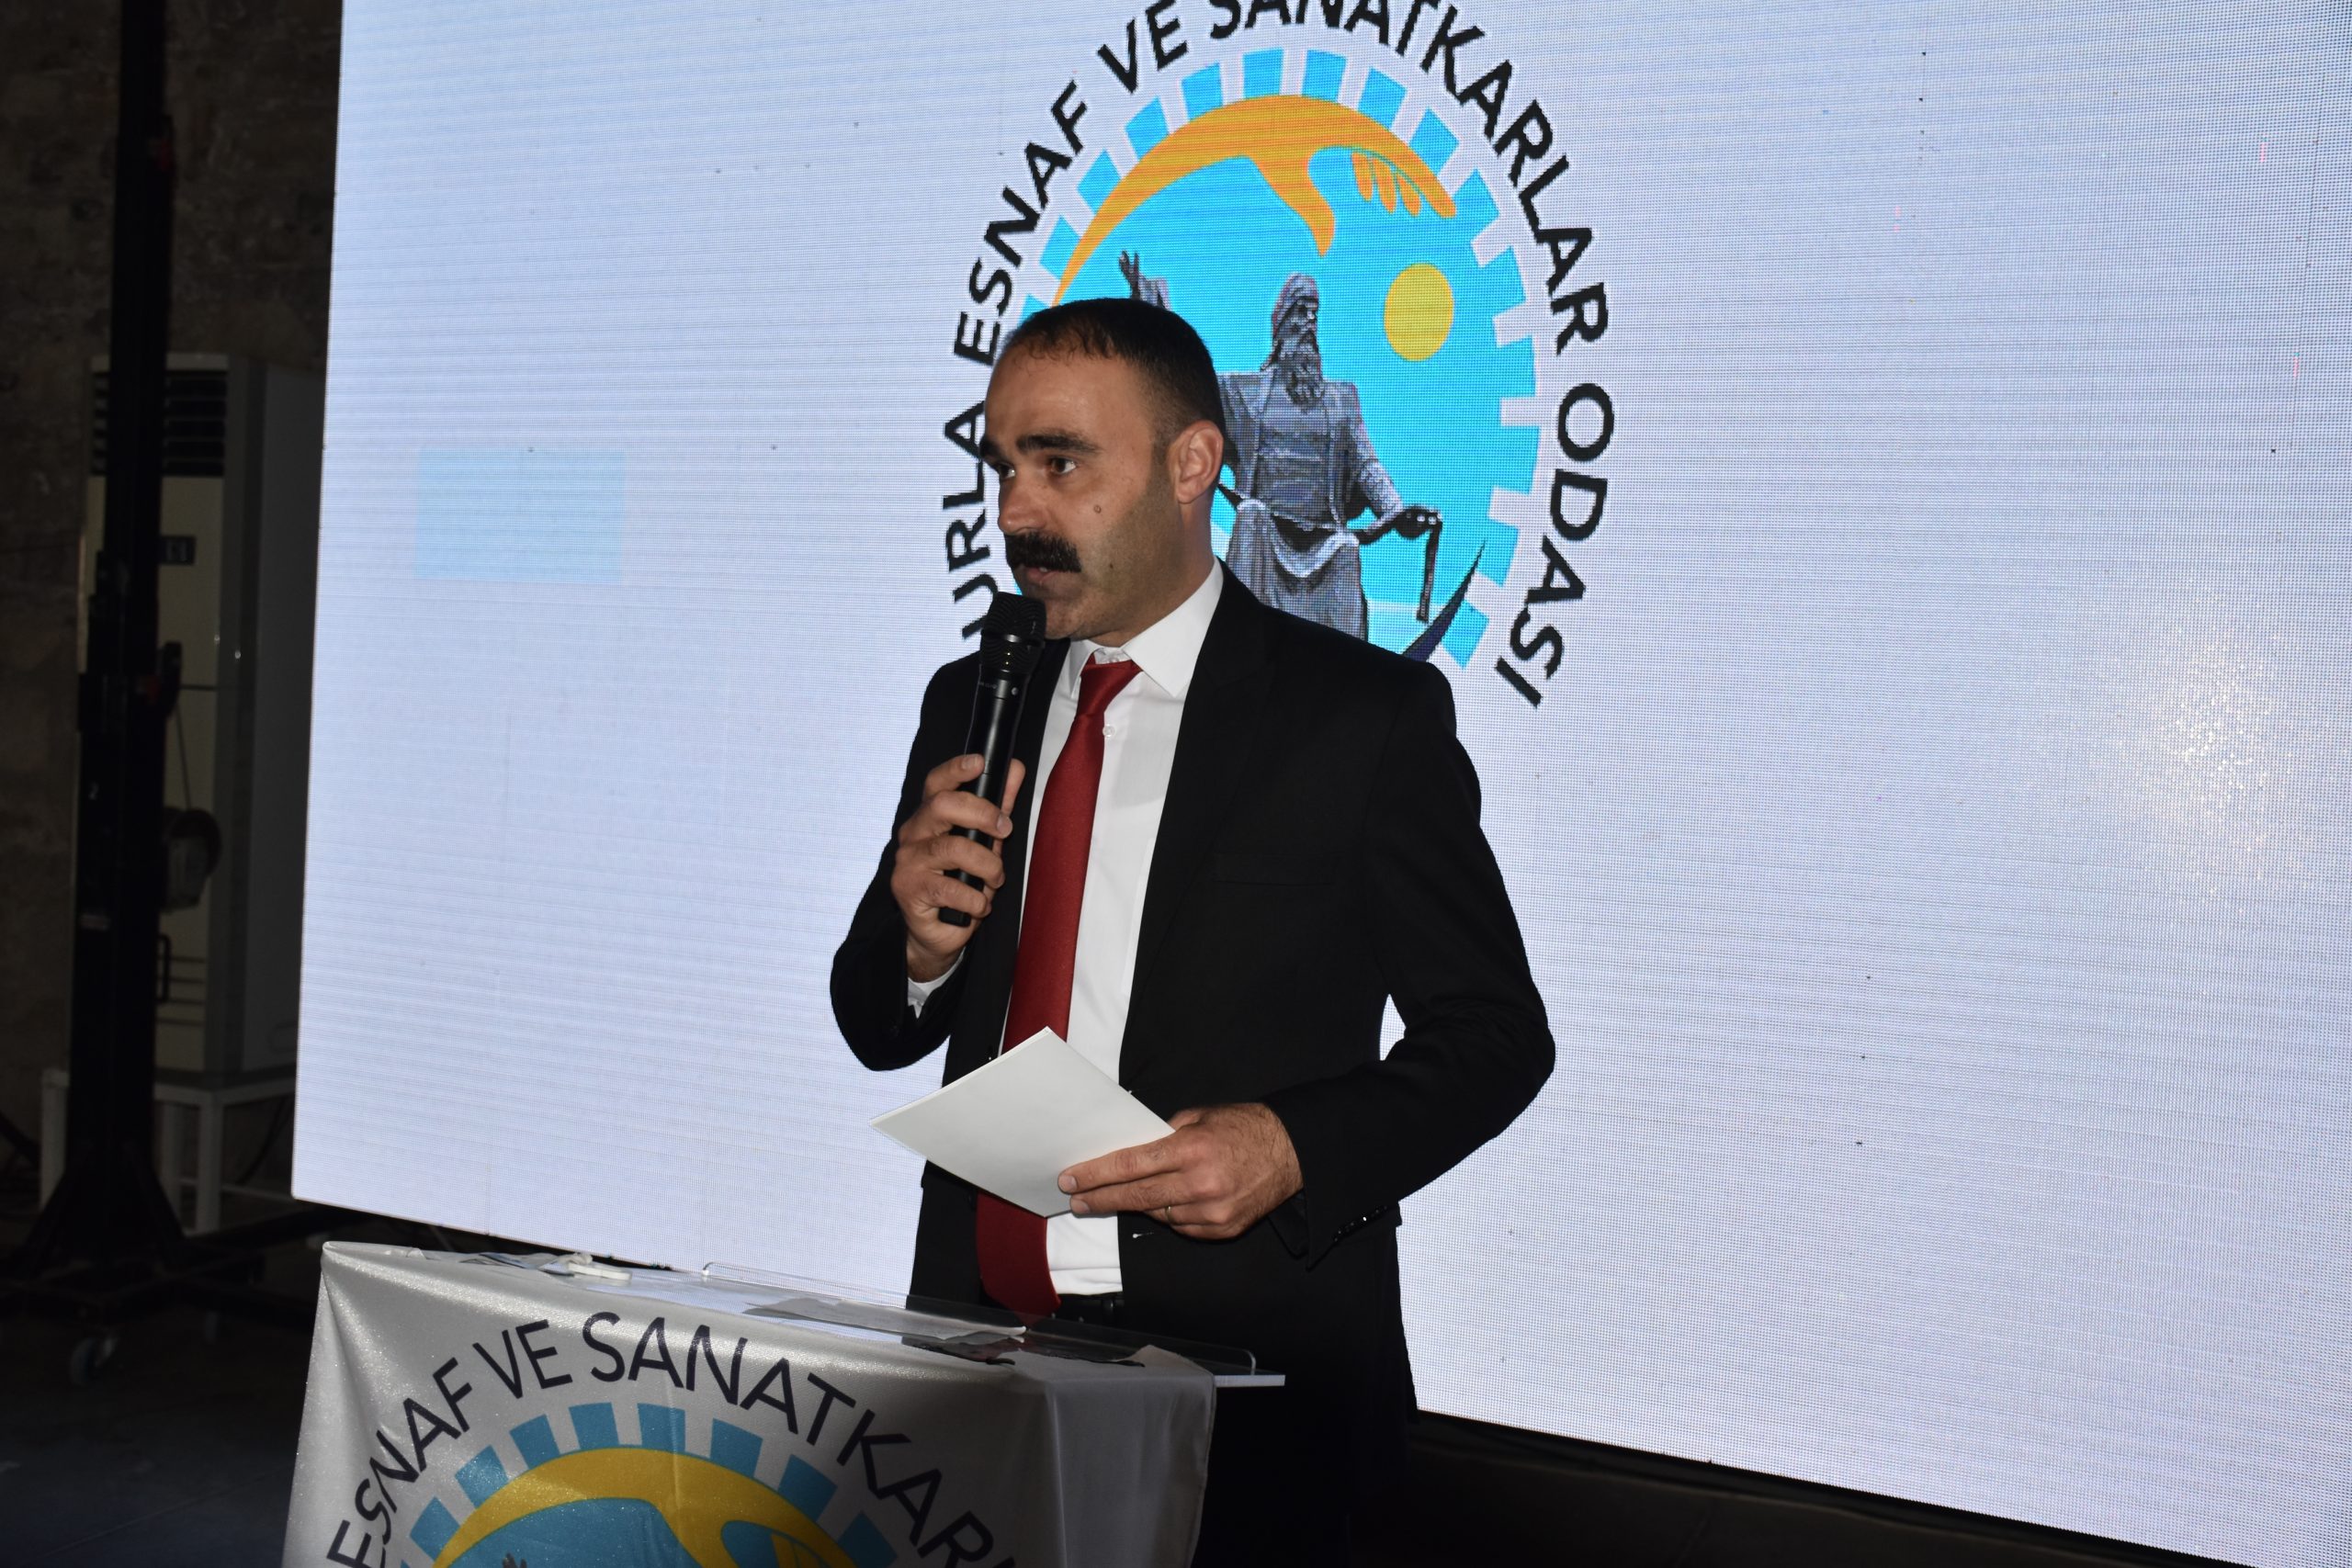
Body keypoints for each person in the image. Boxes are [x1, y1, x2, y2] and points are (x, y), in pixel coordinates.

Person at [831, 296, 1552, 1567]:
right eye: (1003, 467)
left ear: (1191, 465)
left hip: (1247, 1402)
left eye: (1060, 463)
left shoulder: (1361, 719)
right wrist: (918, 948)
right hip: (972, 1376)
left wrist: (1294, 1146)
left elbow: (1496, 1037)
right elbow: (878, 1018)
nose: (1015, 512)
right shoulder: (973, 697)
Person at [1119, 254, 1438, 641]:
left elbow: (1367, 466)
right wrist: (1153, 311)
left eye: (1315, 313)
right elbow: (1187, 385)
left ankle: (1346, 666)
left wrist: (1396, 512)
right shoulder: (1247, 395)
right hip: (1265, 534)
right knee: (1251, 516)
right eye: (1301, 312)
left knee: (1347, 547)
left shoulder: (1341, 399)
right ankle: (1235, 648)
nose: (1310, 323)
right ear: (1282, 324)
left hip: (1327, 541)